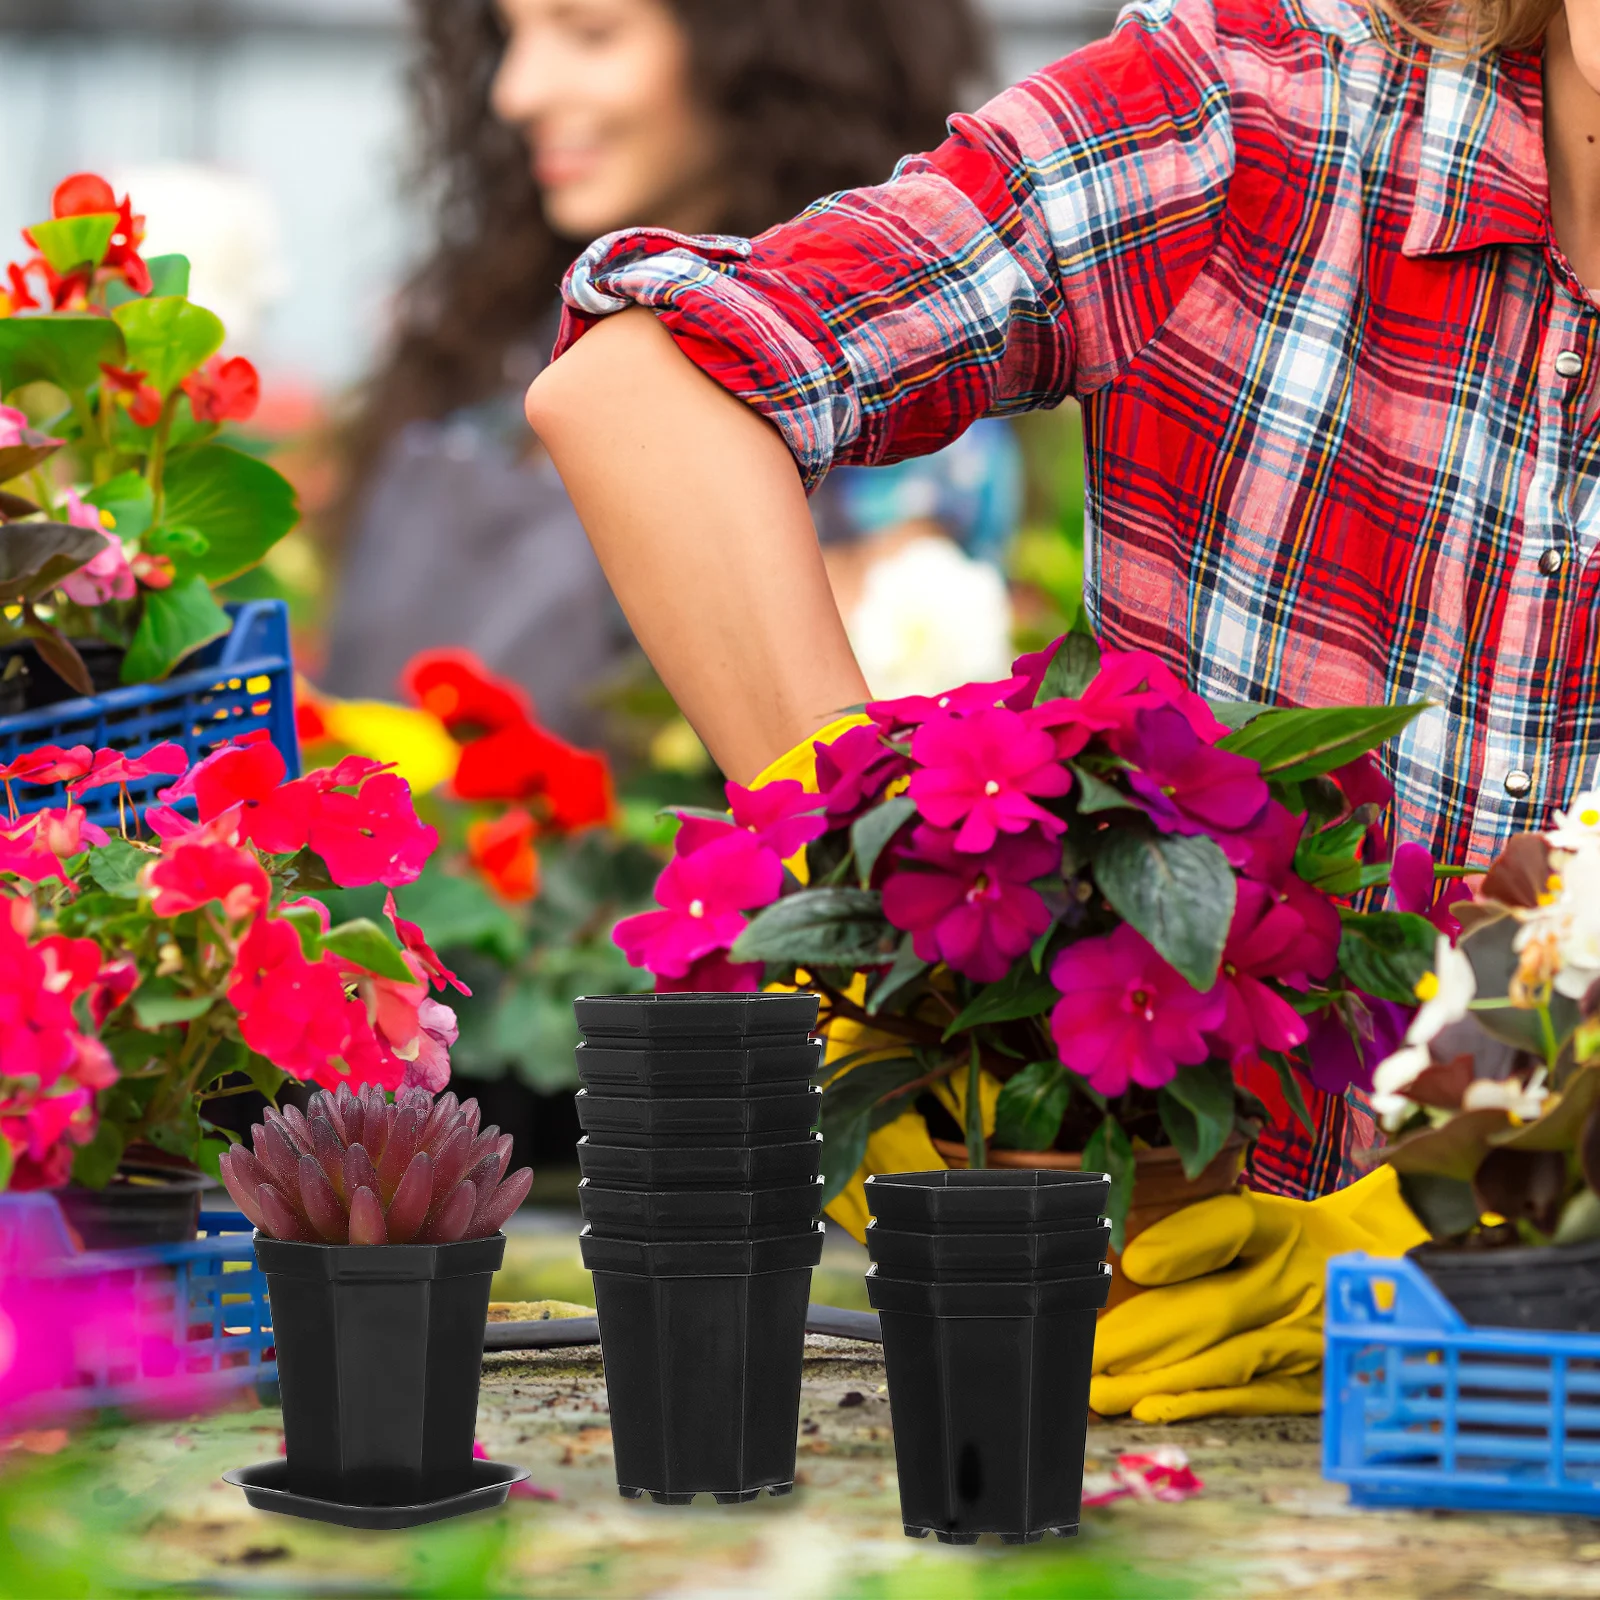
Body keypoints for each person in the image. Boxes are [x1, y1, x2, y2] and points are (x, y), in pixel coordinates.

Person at [524, 0, 1600, 1203]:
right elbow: (643, 392)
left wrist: (1414, 1254)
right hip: (1140, 1315)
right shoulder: (1253, 116)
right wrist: (884, 917)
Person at [323, 0, 1019, 743]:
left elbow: (837, 763)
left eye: (591, 34)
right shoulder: (485, 335)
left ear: (760, 50)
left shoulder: (891, 381)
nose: (516, 92)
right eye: (507, 37)